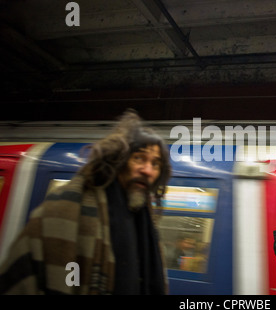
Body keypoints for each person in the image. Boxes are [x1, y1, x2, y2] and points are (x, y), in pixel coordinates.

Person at [0, 109, 171, 295]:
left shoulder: (145, 221)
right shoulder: (63, 207)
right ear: (119, 158)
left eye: (155, 163)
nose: (148, 170)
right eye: (139, 158)